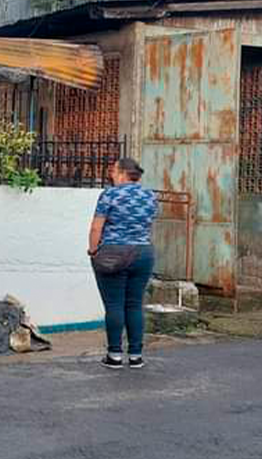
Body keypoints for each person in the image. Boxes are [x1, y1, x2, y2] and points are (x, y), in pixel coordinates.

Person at [88, 158, 158, 370]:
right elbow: (148, 223)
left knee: (114, 305)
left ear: (122, 173)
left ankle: (115, 355)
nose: (111, 174)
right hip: (143, 253)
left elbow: (95, 228)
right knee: (135, 304)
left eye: (113, 171)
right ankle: (136, 355)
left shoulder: (110, 194)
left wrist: (93, 251)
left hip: (113, 253)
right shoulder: (150, 196)